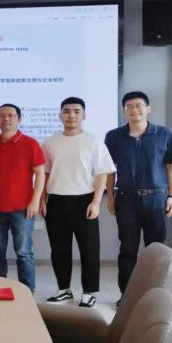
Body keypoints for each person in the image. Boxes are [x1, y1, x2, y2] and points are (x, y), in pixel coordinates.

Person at [105, 91, 172, 303]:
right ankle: (126, 296)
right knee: (127, 249)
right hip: (126, 199)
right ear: (124, 111)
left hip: (156, 199)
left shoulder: (165, 134)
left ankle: (154, 296)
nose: (134, 110)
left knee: (156, 251)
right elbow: (109, 169)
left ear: (148, 109)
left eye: (138, 105)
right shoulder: (113, 136)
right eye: (128, 106)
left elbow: (171, 166)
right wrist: (110, 196)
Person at [40, 97, 115, 307]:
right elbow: (44, 173)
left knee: (89, 250)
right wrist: (42, 199)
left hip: (84, 201)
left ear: (84, 115)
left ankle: (89, 292)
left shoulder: (93, 141)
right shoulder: (50, 142)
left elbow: (102, 173)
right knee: (59, 250)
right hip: (56, 201)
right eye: (66, 111)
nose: (71, 115)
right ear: (60, 115)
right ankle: (64, 289)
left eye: (76, 111)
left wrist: (96, 202)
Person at [0, 103, 45, 292]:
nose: (6, 119)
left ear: (19, 119)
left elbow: (40, 173)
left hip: (22, 208)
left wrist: (35, 201)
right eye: (2, 115)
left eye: (11, 115)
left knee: (24, 253)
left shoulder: (30, 143)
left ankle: (27, 291)